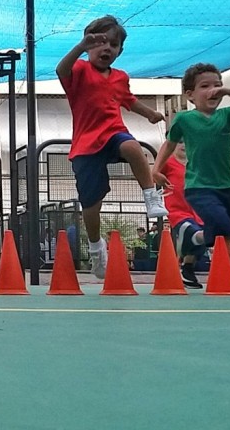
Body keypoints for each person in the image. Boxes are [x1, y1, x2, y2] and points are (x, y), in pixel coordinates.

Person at [56, 15, 168, 280]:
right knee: (91, 205)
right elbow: (61, 70)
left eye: (113, 45)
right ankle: (96, 249)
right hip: (86, 144)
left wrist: (149, 114)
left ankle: (151, 197)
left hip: (113, 132)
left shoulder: (120, 77)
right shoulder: (80, 71)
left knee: (132, 146)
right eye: (99, 43)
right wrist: (80, 47)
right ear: (88, 46)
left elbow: (128, 100)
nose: (106, 49)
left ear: (120, 51)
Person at [152, 63, 230, 294]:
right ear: (190, 95)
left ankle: (195, 240)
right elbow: (169, 144)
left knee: (227, 231)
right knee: (222, 227)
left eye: (218, 85)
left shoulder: (227, 116)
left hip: (227, 186)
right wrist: (156, 169)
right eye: (205, 86)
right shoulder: (184, 119)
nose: (214, 90)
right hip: (198, 186)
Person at [153, 142, 207, 288]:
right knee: (192, 232)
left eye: (186, 141)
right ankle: (182, 248)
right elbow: (153, 176)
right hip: (177, 211)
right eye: (180, 142)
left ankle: (187, 270)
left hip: (198, 211)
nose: (183, 145)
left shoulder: (197, 164)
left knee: (205, 238)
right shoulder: (168, 163)